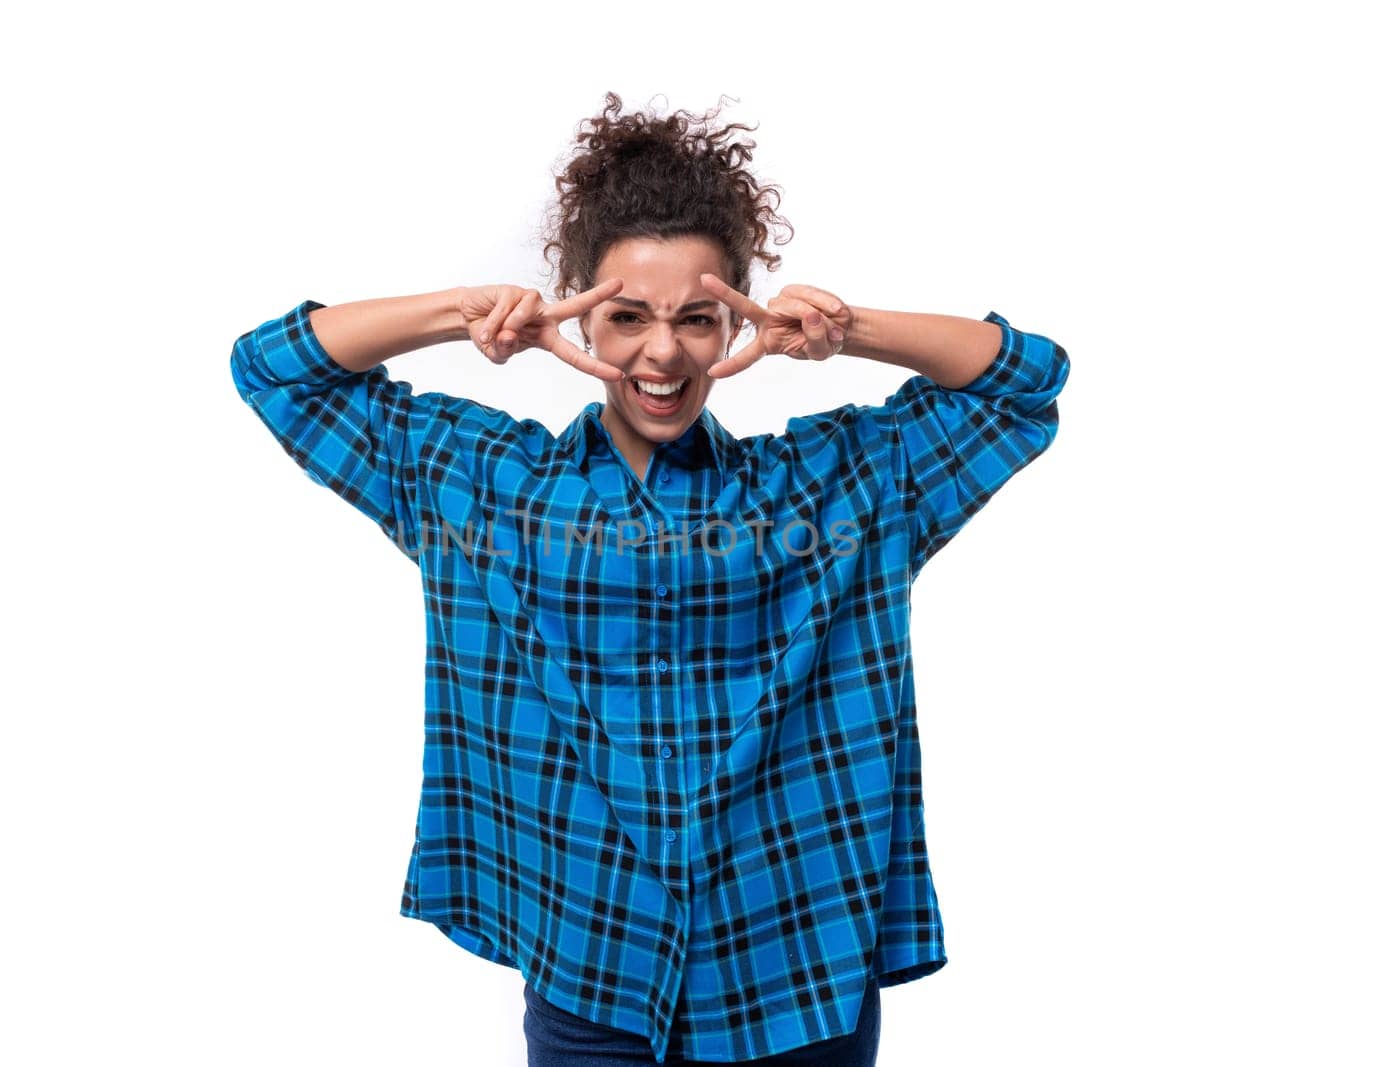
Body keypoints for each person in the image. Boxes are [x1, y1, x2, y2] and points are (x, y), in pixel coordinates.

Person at [229, 92, 1069, 1066]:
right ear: (576, 315)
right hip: (593, 974)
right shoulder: (488, 490)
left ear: (736, 319)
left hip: (793, 970)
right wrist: (461, 311)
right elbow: (271, 369)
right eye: (624, 316)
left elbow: (1028, 384)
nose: (661, 351)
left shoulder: (838, 489)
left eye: (698, 318)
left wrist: (853, 329)